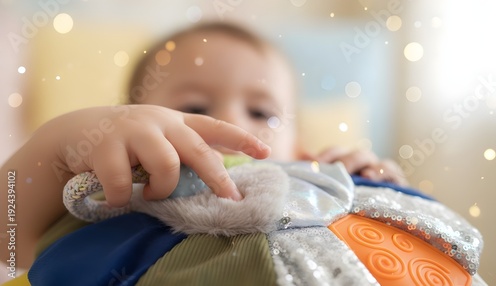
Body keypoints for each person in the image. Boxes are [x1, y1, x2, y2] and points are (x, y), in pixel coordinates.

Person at [0, 21, 408, 273]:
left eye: (261, 112)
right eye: (193, 107)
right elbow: (9, 241)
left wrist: (376, 188)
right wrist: (57, 146)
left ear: (301, 150)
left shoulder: (323, 192)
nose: (227, 122)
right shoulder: (114, 191)